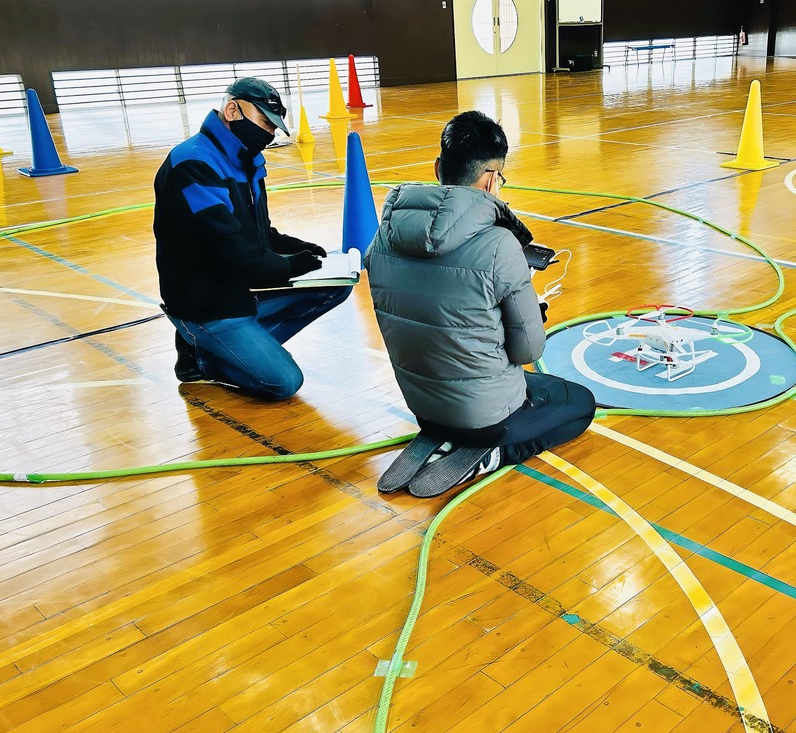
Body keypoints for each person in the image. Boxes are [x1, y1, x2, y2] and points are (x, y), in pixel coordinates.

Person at [366, 110, 596, 497]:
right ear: (491, 178)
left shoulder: (384, 236)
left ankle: (442, 436)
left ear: (439, 167)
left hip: (422, 404)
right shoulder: (500, 244)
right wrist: (528, 315)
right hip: (484, 416)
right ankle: (492, 454)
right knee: (577, 402)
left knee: (501, 379)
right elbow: (528, 349)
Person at [153, 77, 350, 400]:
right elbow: (235, 252)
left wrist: (295, 248)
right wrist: (291, 267)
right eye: (265, 122)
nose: (269, 134)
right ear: (232, 110)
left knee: (336, 284)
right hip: (208, 304)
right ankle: (201, 355)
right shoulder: (193, 165)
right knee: (282, 382)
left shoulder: (247, 161)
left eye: (274, 128)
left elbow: (257, 233)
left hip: (241, 288)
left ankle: (237, 348)